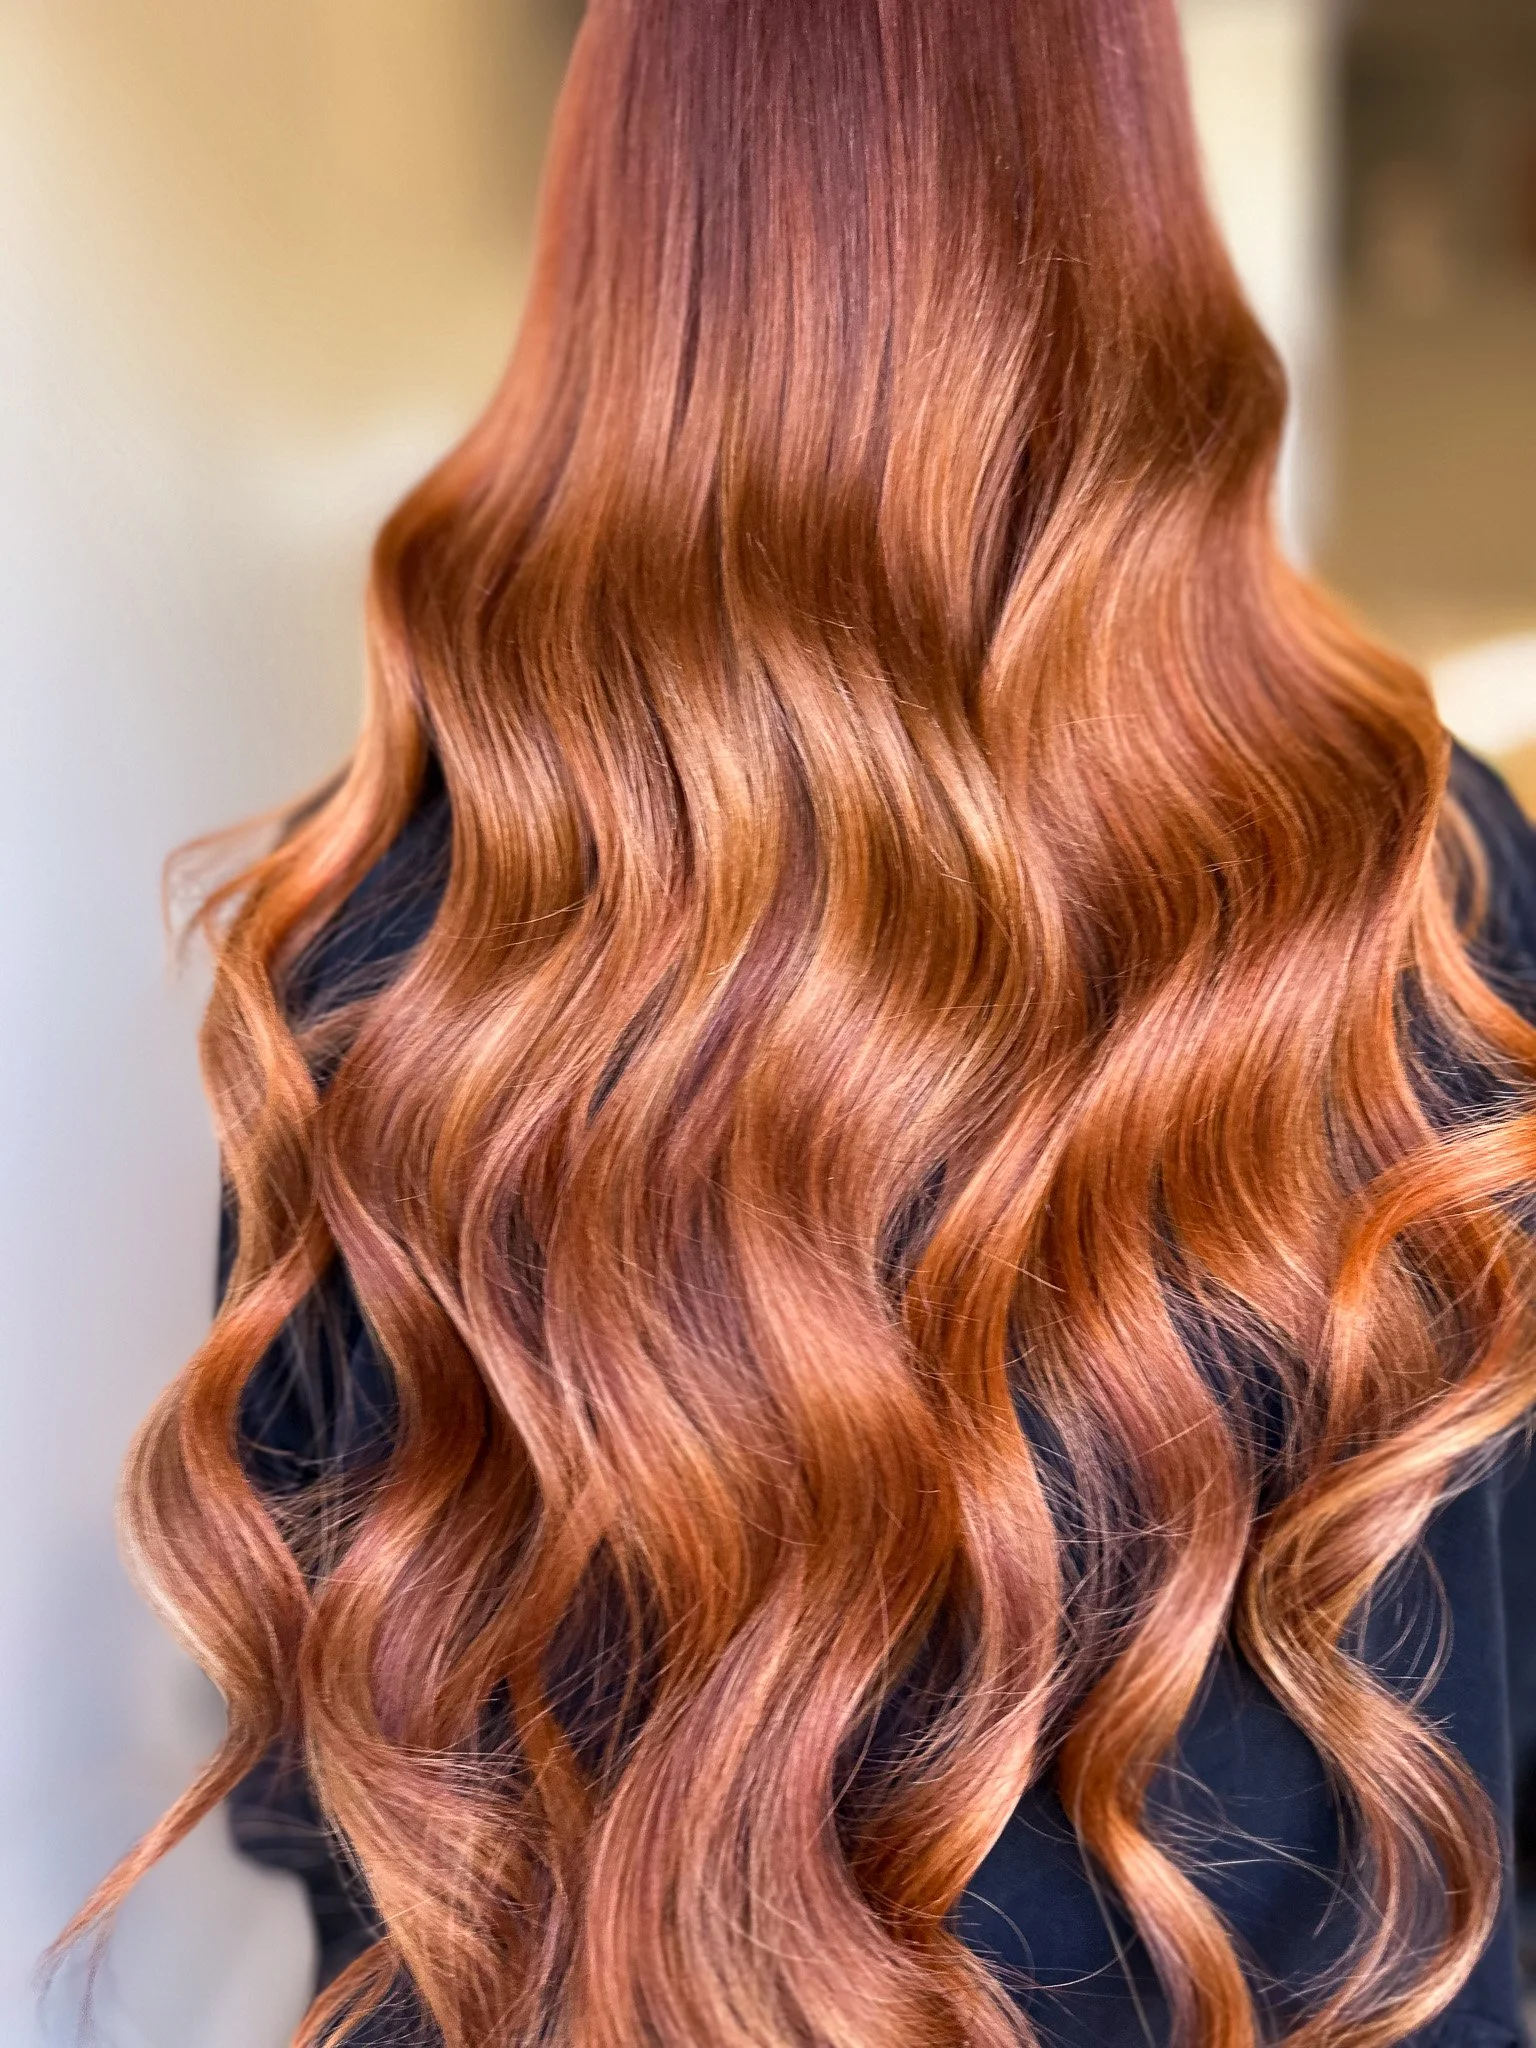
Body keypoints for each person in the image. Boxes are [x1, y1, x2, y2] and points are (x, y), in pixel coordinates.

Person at [60, 2, 1536, 2043]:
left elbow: (337, 1793)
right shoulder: (1415, 873)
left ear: (636, 245)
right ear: (1131, 220)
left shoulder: (379, 925)